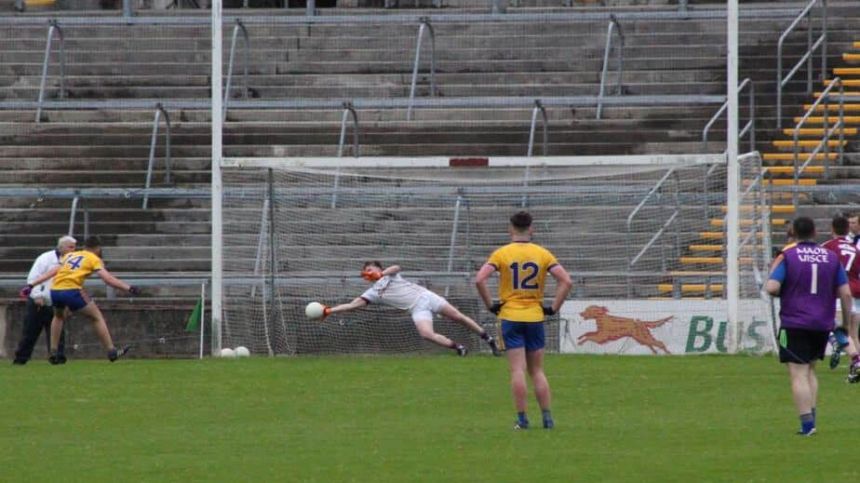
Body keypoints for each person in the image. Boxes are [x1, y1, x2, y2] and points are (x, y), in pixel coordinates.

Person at [474, 211, 572, 430]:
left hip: (510, 316)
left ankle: (522, 419)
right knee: (537, 370)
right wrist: (553, 307)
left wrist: (491, 304)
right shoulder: (543, 254)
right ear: (532, 229)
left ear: (510, 229)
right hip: (535, 317)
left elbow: (480, 279)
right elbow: (566, 281)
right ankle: (547, 418)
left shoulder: (502, 254)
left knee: (517, 370)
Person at [765, 217, 853, 436]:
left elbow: (772, 287)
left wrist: (777, 284)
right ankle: (812, 419)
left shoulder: (788, 255)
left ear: (793, 232)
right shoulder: (831, 257)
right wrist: (844, 325)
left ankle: (806, 425)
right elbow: (846, 293)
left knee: (798, 372)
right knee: (811, 369)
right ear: (815, 232)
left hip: (795, 321)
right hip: (822, 322)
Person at [320, 261, 500, 356]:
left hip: (425, 296)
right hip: (416, 309)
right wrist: (329, 311)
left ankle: (489, 339)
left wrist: (381, 273)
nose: (367, 272)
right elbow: (352, 305)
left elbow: (396, 267)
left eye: (370, 268)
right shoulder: (373, 292)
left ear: (378, 268)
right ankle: (459, 348)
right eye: (365, 271)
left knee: (457, 316)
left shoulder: (390, 275)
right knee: (426, 334)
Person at [27, 236, 140, 364]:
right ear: (97, 248)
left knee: (58, 317)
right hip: (72, 291)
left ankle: (53, 352)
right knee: (96, 317)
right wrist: (129, 288)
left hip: (55, 290)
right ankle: (111, 351)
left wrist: (33, 284)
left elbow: (54, 271)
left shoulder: (70, 255)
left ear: (84, 247)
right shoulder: (94, 258)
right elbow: (108, 279)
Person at [12, 236, 77, 365]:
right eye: (71, 247)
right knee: (30, 332)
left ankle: (57, 357)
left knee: (58, 334)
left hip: (57, 301)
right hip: (39, 301)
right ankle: (21, 359)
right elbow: (33, 278)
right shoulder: (45, 258)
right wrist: (37, 295)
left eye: (74, 247)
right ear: (62, 247)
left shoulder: (72, 262)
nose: (73, 250)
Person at [820, 214, 860, 380]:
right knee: (853, 333)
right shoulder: (855, 248)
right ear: (847, 229)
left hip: (837, 292)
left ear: (832, 229)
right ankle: (856, 367)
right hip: (854, 293)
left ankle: (840, 347)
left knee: (836, 329)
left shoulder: (827, 246)